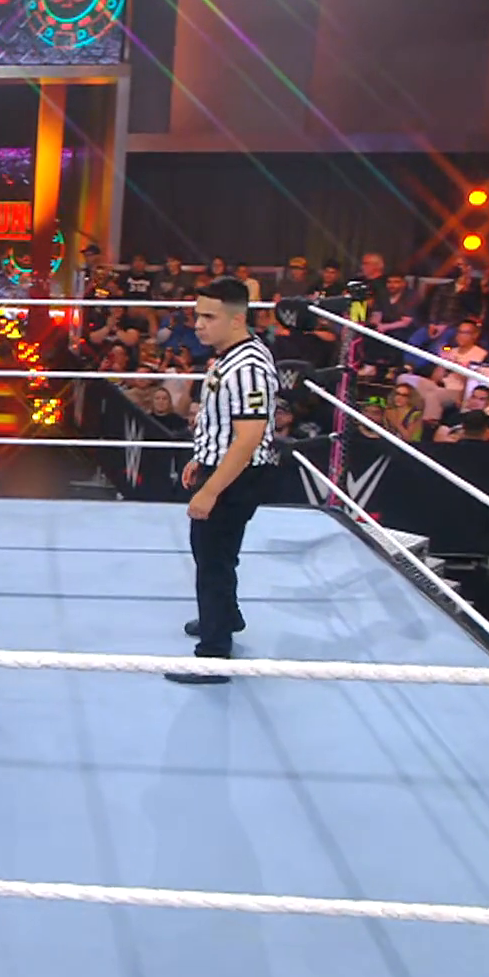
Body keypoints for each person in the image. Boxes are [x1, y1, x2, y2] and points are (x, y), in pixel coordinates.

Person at [171, 277, 280, 685]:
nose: (198, 325)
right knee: (214, 552)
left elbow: (248, 438)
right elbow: (222, 423)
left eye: (208, 317)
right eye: (197, 315)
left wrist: (211, 489)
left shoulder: (248, 368)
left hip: (236, 476)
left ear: (236, 320)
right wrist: (201, 459)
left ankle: (214, 655)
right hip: (222, 466)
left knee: (213, 558)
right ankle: (224, 616)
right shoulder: (231, 355)